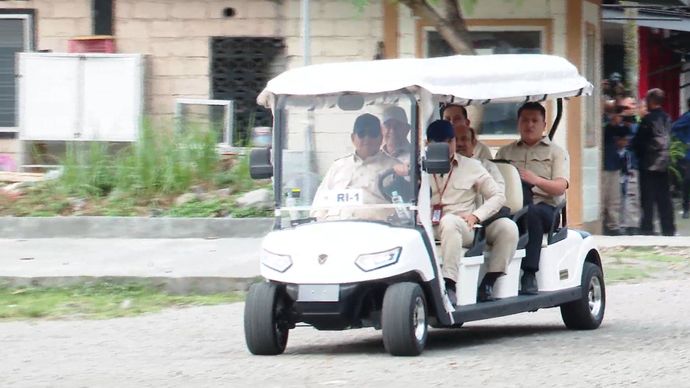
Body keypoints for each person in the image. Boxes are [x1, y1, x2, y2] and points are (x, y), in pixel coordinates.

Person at [426, 120, 505, 305]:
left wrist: (476, 215)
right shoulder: (417, 167)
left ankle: (449, 284)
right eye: (438, 143)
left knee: (449, 221)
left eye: (448, 141)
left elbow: (498, 196)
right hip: (427, 225)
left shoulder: (471, 166)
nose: (445, 146)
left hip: (462, 227)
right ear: (428, 144)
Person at [496, 102, 569, 295]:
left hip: (545, 209)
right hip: (513, 208)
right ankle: (490, 276)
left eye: (535, 121)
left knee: (532, 213)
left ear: (544, 124)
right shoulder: (505, 153)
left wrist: (535, 180)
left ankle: (529, 273)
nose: (530, 125)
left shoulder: (556, 152)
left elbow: (561, 186)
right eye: (525, 120)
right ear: (518, 123)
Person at [454, 122, 519, 302]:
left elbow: (498, 197)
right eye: (455, 140)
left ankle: (489, 282)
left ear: (474, 143)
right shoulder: (443, 167)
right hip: (457, 221)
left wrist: (477, 214)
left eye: (464, 139)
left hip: (485, 221)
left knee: (508, 228)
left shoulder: (487, 167)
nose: (460, 144)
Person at [312, 113, 398, 221]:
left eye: (373, 134)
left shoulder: (394, 167)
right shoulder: (338, 166)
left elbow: (403, 209)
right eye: (362, 134)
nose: (367, 138)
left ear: (381, 138)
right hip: (333, 228)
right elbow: (319, 205)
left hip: (376, 229)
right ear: (353, 138)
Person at [632, 88, 676, 236]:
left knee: (648, 199)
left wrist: (638, 153)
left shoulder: (648, 120)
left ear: (651, 101)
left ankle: (647, 227)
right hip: (664, 163)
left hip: (648, 164)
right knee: (665, 199)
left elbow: (639, 142)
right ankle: (668, 228)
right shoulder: (667, 118)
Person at [601, 106, 630, 235]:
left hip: (614, 165)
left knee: (614, 198)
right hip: (605, 165)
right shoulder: (606, 127)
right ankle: (607, 224)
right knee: (605, 197)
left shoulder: (620, 129)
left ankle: (613, 225)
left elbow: (625, 133)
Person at [671, 97, 690, 219]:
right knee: (688, 179)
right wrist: (686, 140)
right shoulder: (688, 116)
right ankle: (685, 208)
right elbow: (675, 127)